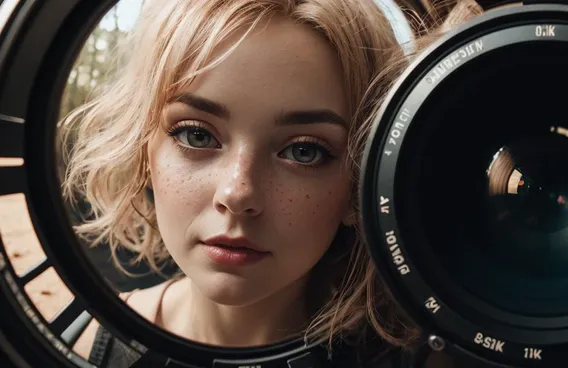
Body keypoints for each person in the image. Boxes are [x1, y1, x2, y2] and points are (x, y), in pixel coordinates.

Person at [60, 0, 419, 366]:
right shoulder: (79, 346)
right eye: (197, 136)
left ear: (360, 186)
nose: (237, 193)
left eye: (304, 152)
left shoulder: (416, 359)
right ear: (144, 152)